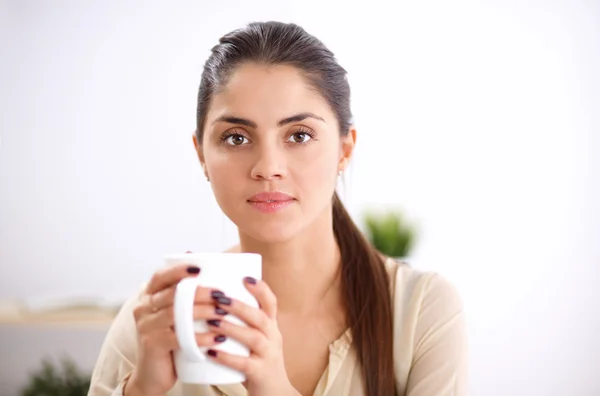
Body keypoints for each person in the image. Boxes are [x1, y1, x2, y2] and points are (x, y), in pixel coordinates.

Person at [88, 21, 468, 396]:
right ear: (201, 154)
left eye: (299, 135)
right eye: (236, 137)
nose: (268, 167)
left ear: (345, 149)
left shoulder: (421, 311)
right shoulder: (156, 318)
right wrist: (141, 390)